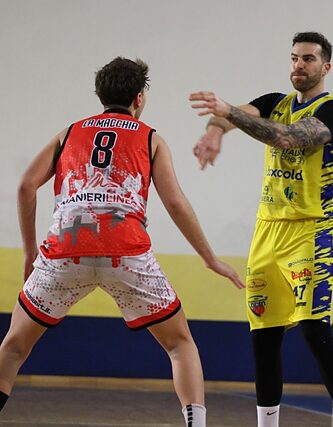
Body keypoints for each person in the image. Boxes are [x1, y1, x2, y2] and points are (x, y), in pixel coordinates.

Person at [0, 57, 244, 427]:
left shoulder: (69, 133)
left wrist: (30, 252)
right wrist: (210, 258)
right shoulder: (150, 138)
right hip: (125, 250)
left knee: (14, 348)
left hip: (66, 247)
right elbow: (176, 203)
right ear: (139, 97)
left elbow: (24, 186)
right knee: (180, 345)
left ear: (100, 94)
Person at [189, 32, 333, 427]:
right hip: (268, 230)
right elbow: (228, 116)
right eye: (294, 58)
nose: (299, 65)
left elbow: (289, 139)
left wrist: (230, 114)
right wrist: (215, 130)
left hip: (310, 230)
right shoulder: (273, 102)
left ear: (325, 67)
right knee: (264, 337)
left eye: (308, 59)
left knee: (314, 331)